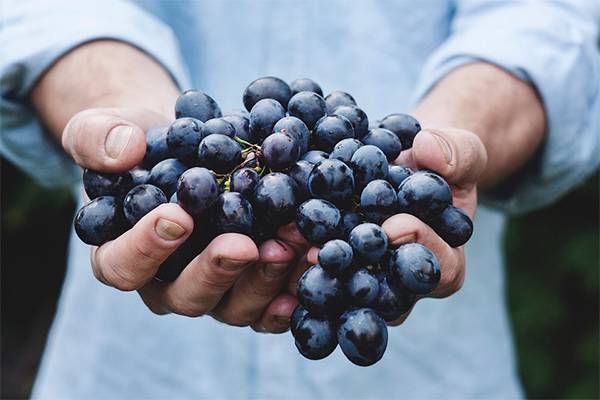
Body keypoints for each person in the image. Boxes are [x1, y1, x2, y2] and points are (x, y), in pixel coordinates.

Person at [1, 1, 599, 399]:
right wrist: (121, 115)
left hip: (428, 373)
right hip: (133, 372)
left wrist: (451, 137)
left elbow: (549, 20)